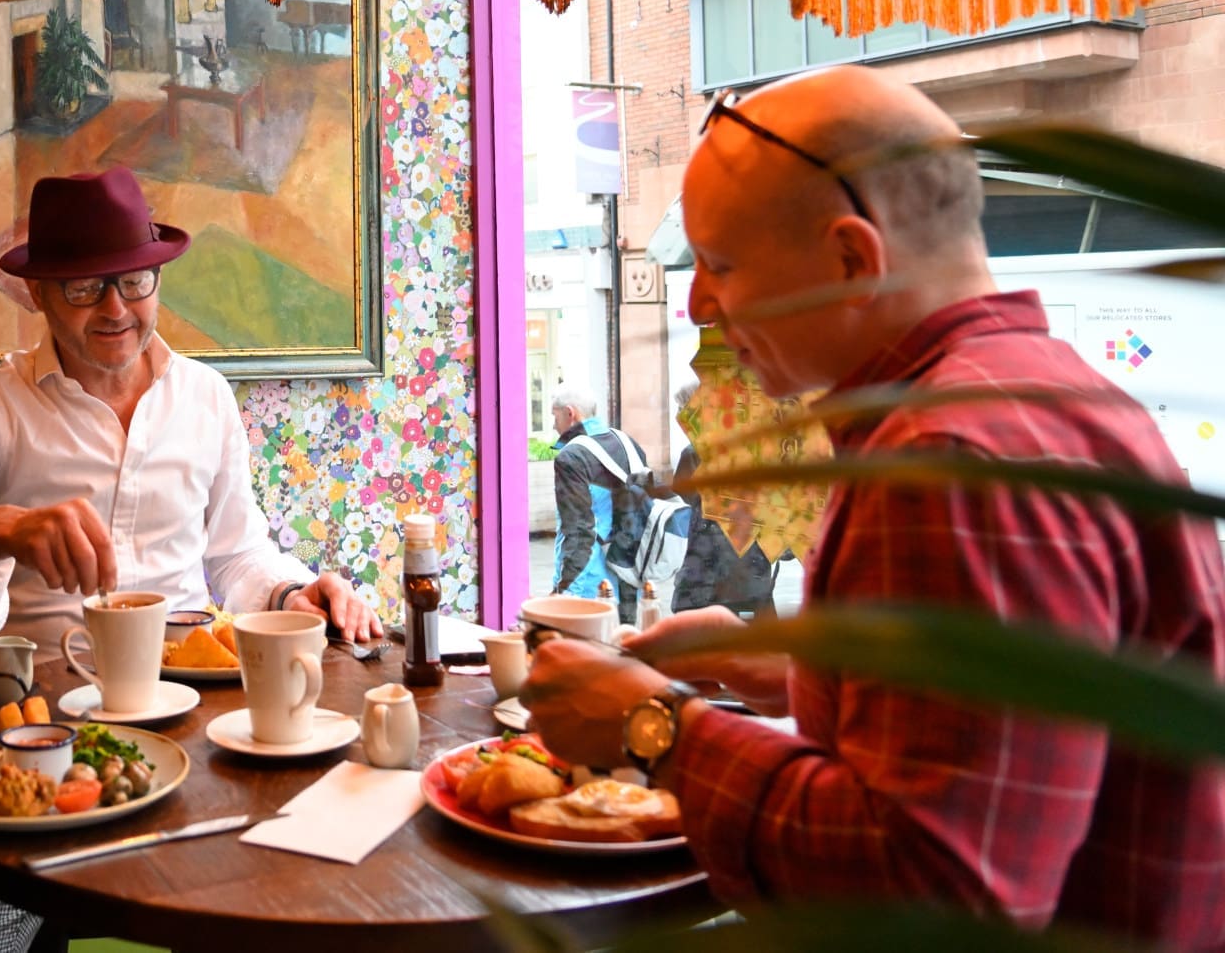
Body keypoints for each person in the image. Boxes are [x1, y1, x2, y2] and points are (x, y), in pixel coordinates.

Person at [520, 67, 1225, 948]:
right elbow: (1011, 737)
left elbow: (931, 897)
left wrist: (655, 724)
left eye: (721, 263)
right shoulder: (1052, 396)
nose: (698, 301)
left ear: (852, 259)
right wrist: (791, 667)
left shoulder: (946, 462)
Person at [0, 167, 382, 953]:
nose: (116, 308)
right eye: (83, 288)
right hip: (40, 737)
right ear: (37, 294)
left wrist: (293, 591)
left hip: (199, 728)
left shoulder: (206, 396)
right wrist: (9, 526)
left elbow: (236, 554)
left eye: (134, 281)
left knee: (270, 915)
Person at [665, 380, 774, 618]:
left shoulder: (695, 451)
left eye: (680, 409)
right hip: (753, 562)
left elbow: (685, 491)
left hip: (710, 567)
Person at [546, 385, 648, 616]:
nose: (553, 424)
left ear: (570, 413)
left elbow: (578, 530)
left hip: (589, 584)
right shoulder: (628, 443)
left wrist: (563, 588)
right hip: (631, 574)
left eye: (555, 415)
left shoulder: (572, 457)